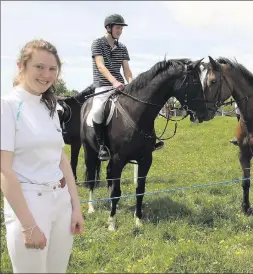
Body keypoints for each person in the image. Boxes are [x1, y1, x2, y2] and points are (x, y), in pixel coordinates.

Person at [1, 39, 84, 273]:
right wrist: (28, 226)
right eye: (39, 67)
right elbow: (4, 170)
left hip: (61, 202)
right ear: (21, 66)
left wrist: (75, 207)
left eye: (52, 69)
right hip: (29, 203)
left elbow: (62, 159)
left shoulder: (50, 107)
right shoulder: (6, 106)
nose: (46, 75)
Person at [91, 14, 164, 161]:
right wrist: (113, 82)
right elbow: (100, 66)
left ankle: (150, 141)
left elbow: (126, 69)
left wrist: (132, 84)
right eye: (118, 28)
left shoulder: (122, 48)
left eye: (121, 28)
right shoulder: (97, 44)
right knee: (97, 111)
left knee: (141, 106)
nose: (120, 31)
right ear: (108, 28)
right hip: (103, 86)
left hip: (120, 86)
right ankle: (102, 146)